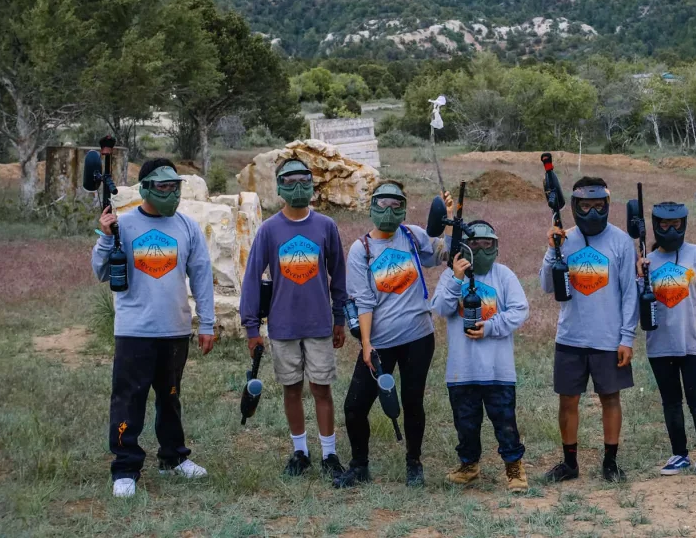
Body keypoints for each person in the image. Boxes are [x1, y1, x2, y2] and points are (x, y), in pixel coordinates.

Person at [92, 159, 215, 498]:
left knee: (170, 398)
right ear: (145, 187)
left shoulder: (187, 227)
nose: (170, 193)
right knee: (129, 400)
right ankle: (125, 468)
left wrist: (207, 323)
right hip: (135, 331)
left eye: (174, 187)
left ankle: (173, 459)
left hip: (175, 329)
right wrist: (105, 236)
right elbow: (101, 272)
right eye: (163, 187)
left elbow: (202, 277)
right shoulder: (124, 225)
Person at [336, 181, 453, 488]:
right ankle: (359, 465)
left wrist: (449, 218)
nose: (389, 210)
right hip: (380, 342)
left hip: (418, 337)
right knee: (355, 406)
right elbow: (363, 300)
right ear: (372, 206)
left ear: (404, 207)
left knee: (413, 401)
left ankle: (414, 463)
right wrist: (366, 344)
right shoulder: (360, 249)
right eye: (382, 203)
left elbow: (443, 254)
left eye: (396, 204)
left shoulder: (413, 235)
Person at [239, 158, 348, 479]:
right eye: (291, 181)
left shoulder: (326, 226)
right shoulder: (270, 230)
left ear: (312, 185)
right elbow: (251, 277)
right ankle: (300, 451)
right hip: (282, 326)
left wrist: (339, 316)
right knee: (291, 389)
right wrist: (251, 328)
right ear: (280, 187)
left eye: (305, 180)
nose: (299, 187)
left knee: (322, 388)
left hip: (319, 325)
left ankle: (329, 455)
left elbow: (338, 274)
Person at [540, 176, 638, 483]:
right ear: (574, 206)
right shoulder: (564, 239)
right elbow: (546, 285)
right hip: (571, 336)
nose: (593, 212)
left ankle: (610, 462)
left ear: (608, 205)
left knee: (610, 398)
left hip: (608, 338)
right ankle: (570, 463)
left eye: (599, 206)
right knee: (568, 401)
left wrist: (627, 338)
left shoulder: (621, 241)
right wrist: (551, 250)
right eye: (586, 206)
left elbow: (630, 294)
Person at [430, 221, 530, 493]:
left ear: (496, 247)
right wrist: (456, 279)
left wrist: (491, 327)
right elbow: (440, 307)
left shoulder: (504, 275)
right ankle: (469, 465)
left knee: (505, 422)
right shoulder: (452, 276)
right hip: (462, 370)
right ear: (464, 248)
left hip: (498, 370)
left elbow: (521, 310)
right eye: (475, 245)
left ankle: (514, 468)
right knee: (466, 424)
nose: (482, 250)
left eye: (488, 245)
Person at [637, 202, 696, 477]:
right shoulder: (648, 261)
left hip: (694, 341)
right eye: (664, 225)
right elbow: (638, 303)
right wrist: (639, 274)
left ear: (684, 225)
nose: (671, 230)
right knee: (671, 401)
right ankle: (679, 454)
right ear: (655, 225)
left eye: (676, 225)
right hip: (659, 345)